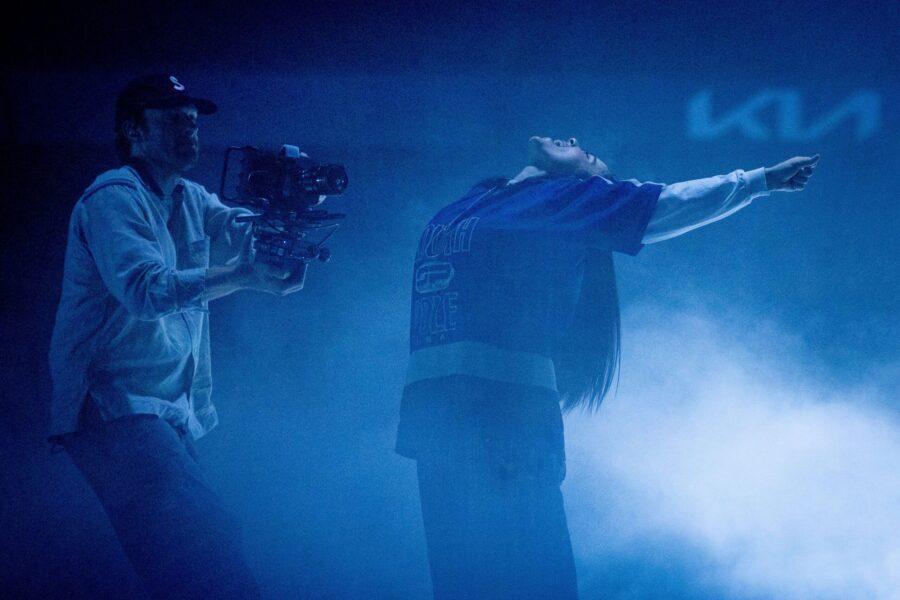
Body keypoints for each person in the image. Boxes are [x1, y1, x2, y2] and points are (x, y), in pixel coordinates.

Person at [396, 135, 819, 599]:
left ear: (593, 186)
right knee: (461, 582)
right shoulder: (479, 200)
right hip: (438, 423)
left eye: (589, 156)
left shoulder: (566, 200)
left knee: (527, 577)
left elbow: (669, 203)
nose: (578, 142)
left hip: (503, 420)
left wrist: (758, 181)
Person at [48, 73, 306, 599]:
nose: (189, 129)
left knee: (186, 547)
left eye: (192, 120)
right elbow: (146, 291)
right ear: (133, 131)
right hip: (114, 404)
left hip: (164, 410)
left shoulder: (188, 196)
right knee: (200, 539)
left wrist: (282, 228)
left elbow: (236, 224)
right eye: (173, 119)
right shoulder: (114, 197)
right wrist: (242, 276)